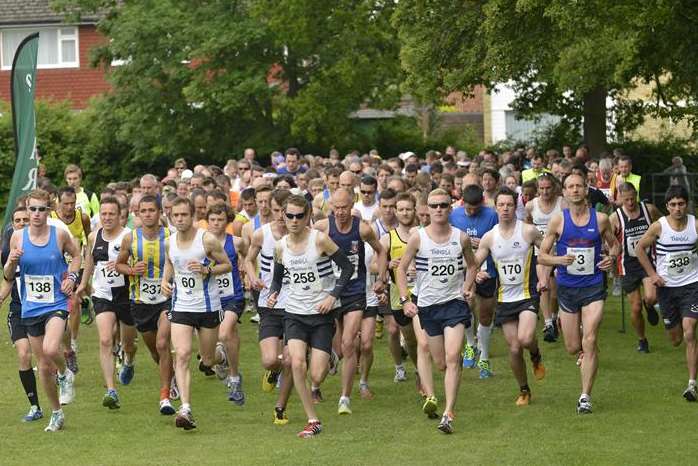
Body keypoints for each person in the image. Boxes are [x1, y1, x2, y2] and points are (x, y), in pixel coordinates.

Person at [267, 194, 353, 438]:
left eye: (299, 216)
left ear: (307, 217)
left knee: (316, 374)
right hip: (294, 313)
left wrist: (332, 296)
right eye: (289, 215)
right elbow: (277, 278)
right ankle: (312, 419)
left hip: (321, 313)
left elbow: (347, 268)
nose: (294, 220)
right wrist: (274, 294)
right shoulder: (280, 246)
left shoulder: (320, 240)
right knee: (296, 363)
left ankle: (329, 357)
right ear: (283, 216)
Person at [396, 188, 476, 434]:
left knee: (452, 357)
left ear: (450, 208)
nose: (439, 209)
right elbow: (401, 270)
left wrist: (467, 287)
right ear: (427, 210)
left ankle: (448, 412)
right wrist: (405, 299)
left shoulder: (460, 237)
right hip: (428, 307)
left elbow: (472, 265)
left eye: (443, 205)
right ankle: (441, 389)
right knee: (441, 362)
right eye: (434, 206)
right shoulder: (418, 238)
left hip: (454, 305)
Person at [538, 173, 619, 414]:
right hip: (567, 288)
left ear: (586, 190)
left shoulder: (601, 219)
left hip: (594, 286)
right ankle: (584, 348)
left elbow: (615, 244)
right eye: (570, 187)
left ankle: (585, 396)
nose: (574, 190)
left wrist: (611, 258)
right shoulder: (557, 222)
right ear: (564, 192)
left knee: (591, 338)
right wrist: (559, 259)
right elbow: (541, 255)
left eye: (579, 186)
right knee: (573, 347)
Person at [4, 189, 81, 432]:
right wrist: (12, 261)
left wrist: (72, 276)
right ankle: (56, 412)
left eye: (41, 209)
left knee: (49, 350)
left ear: (49, 211)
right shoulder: (17, 237)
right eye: (32, 209)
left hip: (56, 302)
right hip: (30, 307)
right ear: (27, 210)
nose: (36, 214)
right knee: (44, 367)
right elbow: (7, 275)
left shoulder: (59, 235)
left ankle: (66, 371)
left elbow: (77, 255)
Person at [160, 197, 232, 430]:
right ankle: (186, 408)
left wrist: (206, 269)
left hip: (208, 306)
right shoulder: (169, 242)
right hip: (181, 305)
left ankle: (221, 357)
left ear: (192, 216)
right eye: (176, 215)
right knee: (181, 354)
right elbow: (170, 263)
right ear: (171, 217)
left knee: (207, 359)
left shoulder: (206, 239)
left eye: (184, 215)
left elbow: (227, 265)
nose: (180, 219)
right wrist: (165, 280)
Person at [470, 188, 546, 406]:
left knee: (524, 339)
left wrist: (547, 274)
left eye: (509, 205)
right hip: (504, 299)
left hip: (527, 295)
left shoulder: (529, 231)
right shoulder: (490, 237)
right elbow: (474, 262)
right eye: (501, 205)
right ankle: (524, 390)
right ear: (496, 208)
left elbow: (547, 251)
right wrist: (475, 273)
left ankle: (535, 354)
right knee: (513, 348)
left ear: (516, 207)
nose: (505, 209)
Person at [314, 188, 387, 415]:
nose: (340, 212)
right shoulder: (322, 227)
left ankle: (344, 398)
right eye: (336, 207)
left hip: (355, 291)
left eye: (344, 207)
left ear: (351, 204)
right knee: (333, 347)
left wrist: (382, 278)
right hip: (328, 293)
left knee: (349, 343)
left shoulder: (362, 228)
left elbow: (381, 251)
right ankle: (317, 382)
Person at [114, 195, 176, 416]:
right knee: (155, 351)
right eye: (144, 211)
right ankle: (171, 375)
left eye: (152, 210)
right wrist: (132, 270)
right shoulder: (130, 238)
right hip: (140, 301)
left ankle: (165, 396)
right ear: (137, 214)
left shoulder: (172, 236)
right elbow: (118, 265)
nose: (148, 214)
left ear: (160, 212)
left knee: (162, 344)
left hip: (167, 300)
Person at [636, 185, 698, 401]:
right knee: (675, 339)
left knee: (690, 331)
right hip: (667, 289)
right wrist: (652, 275)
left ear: (686, 204)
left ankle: (692, 384)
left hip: (692, 285)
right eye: (673, 205)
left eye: (681, 204)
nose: (677, 208)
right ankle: (653, 305)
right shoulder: (658, 226)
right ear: (667, 207)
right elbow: (639, 249)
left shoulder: (694, 224)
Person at [76, 197, 135, 409]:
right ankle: (111, 390)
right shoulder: (93, 236)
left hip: (126, 294)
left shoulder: (129, 236)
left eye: (112, 213)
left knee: (128, 342)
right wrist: (84, 283)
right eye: (104, 214)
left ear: (121, 215)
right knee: (105, 339)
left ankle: (128, 360)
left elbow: (137, 263)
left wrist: (123, 265)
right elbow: (90, 260)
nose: (107, 217)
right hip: (102, 293)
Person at [244, 189, 295, 424]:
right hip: (269, 303)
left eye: (284, 212)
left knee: (291, 359)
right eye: (275, 210)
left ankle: (280, 409)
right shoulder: (261, 234)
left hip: (296, 305)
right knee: (270, 360)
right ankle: (273, 372)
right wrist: (253, 277)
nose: (279, 216)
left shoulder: (303, 235)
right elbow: (247, 259)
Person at [450, 184, 498, 378]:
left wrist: (485, 244)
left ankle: (484, 357)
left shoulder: (492, 215)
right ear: (462, 202)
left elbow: (500, 240)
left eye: (475, 209)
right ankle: (470, 344)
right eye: (468, 208)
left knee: (485, 315)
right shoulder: (454, 215)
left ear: (482, 203)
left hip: (487, 270)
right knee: (466, 306)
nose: (471, 212)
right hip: (463, 269)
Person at [0, 206, 44, 422]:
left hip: (43, 308)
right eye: (17, 220)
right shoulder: (9, 251)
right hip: (18, 309)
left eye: (25, 219)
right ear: (13, 224)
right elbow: (8, 280)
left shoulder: (45, 246)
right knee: (24, 354)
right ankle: (35, 406)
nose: (22, 223)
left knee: (48, 356)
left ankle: (64, 373)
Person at [609, 182, 662, 352]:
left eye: (633, 199)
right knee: (635, 307)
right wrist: (610, 258)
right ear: (620, 199)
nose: (630, 203)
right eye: (626, 200)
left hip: (647, 262)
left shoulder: (649, 210)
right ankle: (642, 340)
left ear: (636, 195)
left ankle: (650, 304)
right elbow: (609, 242)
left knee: (652, 297)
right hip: (627, 265)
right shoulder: (615, 218)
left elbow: (664, 226)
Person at [206, 204, 249, 404]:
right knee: (228, 339)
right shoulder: (202, 242)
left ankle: (228, 370)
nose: (216, 223)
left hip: (233, 297)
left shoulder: (237, 242)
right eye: (213, 219)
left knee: (224, 333)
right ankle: (233, 373)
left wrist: (248, 272)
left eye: (220, 219)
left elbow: (250, 257)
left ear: (228, 221)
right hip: (210, 298)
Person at [51, 186, 91, 374]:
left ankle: (72, 344)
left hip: (74, 264)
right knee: (55, 309)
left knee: (72, 303)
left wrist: (87, 256)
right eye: (65, 203)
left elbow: (89, 238)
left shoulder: (81, 217)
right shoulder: (50, 216)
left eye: (72, 203)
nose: (69, 207)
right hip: (54, 267)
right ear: (58, 201)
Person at [525, 173, 564, 342]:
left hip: (559, 252)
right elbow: (528, 225)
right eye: (541, 188)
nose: (545, 192)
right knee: (543, 286)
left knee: (555, 291)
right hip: (540, 254)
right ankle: (548, 323)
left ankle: (554, 317)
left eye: (548, 188)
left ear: (554, 187)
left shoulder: (562, 203)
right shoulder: (530, 205)